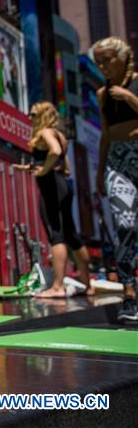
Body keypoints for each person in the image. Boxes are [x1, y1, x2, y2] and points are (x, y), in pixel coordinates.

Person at [14, 102, 92, 298]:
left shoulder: (45, 132)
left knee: (56, 234)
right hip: (63, 186)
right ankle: (88, 284)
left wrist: (44, 171)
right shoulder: (59, 135)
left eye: (33, 115)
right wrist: (35, 167)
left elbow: (55, 151)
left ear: (42, 115)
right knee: (71, 234)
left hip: (51, 188)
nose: (29, 118)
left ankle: (57, 287)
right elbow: (66, 167)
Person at [92, 37, 138, 322]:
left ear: (123, 57)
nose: (102, 66)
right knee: (124, 225)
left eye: (107, 59)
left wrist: (129, 97)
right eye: (98, 62)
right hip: (117, 162)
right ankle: (129, 294)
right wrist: (100, 171)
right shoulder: (102, 94)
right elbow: (106, 133)